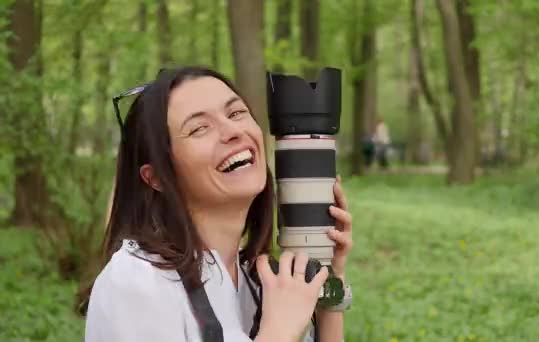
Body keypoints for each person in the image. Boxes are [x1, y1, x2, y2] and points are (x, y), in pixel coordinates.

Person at [78, 67, 354, 342]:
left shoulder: (258, 281)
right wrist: (278, 334)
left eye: (235, 113)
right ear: (157, 177)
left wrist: (329, 280)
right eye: (199, 128)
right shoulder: (137, 282)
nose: (232, 131)